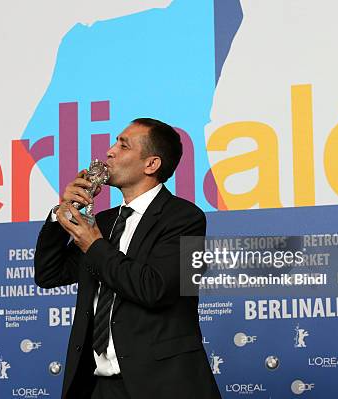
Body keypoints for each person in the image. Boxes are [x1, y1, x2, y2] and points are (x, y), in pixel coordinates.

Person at [34, 118, 221, 399]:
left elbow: (155, 289)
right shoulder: (104, 222)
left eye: (123, 145)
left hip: (163, 386)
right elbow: (49, 274)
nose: (109, 152)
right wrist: (61, 211)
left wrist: (94, 244)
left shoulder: (188, 219)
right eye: (114, 143)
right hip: (98, 387)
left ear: (151, 165)